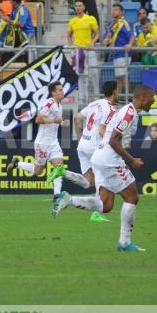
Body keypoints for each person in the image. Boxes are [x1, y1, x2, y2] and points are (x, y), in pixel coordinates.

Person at [52, 85, 156, 252]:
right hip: (110, 160)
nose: (153, 101)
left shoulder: (128, 111)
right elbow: (114, 140)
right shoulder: (128, 113)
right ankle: (124, 242)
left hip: (99, 158)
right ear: (143, 97)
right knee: (132, 197)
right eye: (152, 97)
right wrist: (131, 161)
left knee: (106, 205)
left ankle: (69, 199)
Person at [47, 81, 118, 223]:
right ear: (115, 91)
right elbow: (101, 130)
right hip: (95, 148)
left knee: (88, 183)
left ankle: (62, 172)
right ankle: (96, 214)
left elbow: (77, 118)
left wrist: (80, 138)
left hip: (83, 145)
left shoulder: (95, 103)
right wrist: (113, 143)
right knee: (101, 180)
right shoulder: (111, 109)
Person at [6, 81, 82, 201]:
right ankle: (17, 164)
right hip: (42, 143)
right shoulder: (49, 103)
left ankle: (57, 195)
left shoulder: (59, 106)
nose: (62, 91)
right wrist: (56, 120)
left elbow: (54, 121)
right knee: (38, 171)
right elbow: (38, 119)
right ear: (53, 93)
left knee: (59, 167)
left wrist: (62, 122)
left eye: (62, 89)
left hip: (54, 143)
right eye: (60, 90)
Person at [67, 0, 99, 101]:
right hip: (78, 51)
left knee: (94, 72)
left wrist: (93, 41)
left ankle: (97, 95)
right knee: (80, 74)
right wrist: (72, 45)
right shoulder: (72, 21)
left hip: (89, 49)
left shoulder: (90, 18)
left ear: (84, 7)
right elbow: (69, 35)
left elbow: (97, 33)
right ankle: (82, 98)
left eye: (80, 6)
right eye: (76, 6)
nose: (78, 8)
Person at [103, 4, 134, 96]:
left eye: (116, 10)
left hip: (123, 54)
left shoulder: (124, 23)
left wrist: (130, 44)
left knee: (122, 77)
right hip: (115, 54)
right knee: (118, 77)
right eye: (113, 10)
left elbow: (132, 36)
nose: (114, 11)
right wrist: (106, 40)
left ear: (121, 12)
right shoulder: (111, 24)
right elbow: (108, 38)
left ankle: (128, 97)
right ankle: (118, 97)